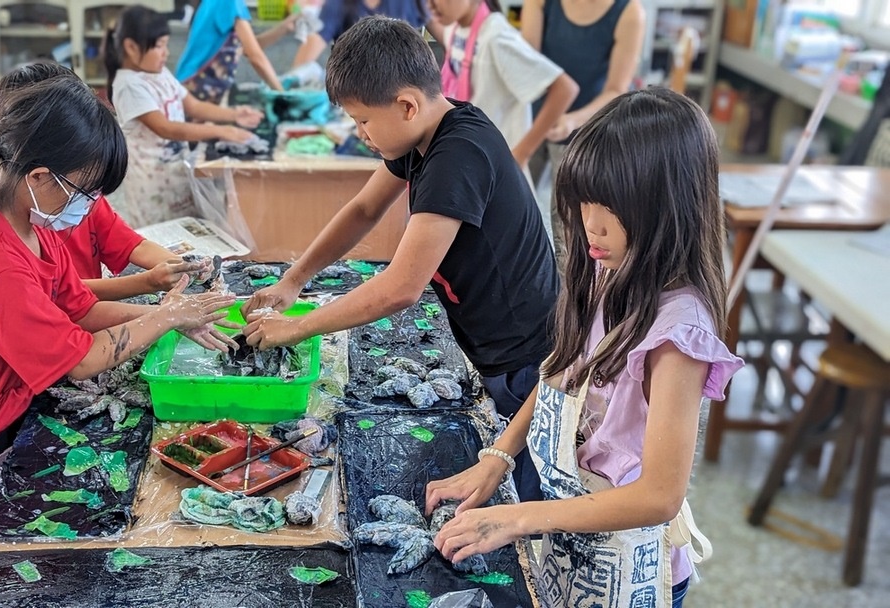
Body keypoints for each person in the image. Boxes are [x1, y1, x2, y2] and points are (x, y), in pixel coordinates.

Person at [426, 88, 744, 607]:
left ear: (667, 207)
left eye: (610, 208)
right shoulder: (610, 266)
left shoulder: (679, 334)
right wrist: (498, 458)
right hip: (571, 534)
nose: (589, 223)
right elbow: (562, 370)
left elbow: (659, 496)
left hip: (630, 560)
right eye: (583, 202)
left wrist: (518, 517)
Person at [0, 76, 238, 553]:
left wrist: (177, 314)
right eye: (85, 191)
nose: (88, 206)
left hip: (12, 407)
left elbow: (81, 307)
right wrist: (165, 317)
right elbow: (82, 359)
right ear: (39, 176)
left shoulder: (33, 229)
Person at [242, 17, 558, 501]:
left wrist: (298, 326)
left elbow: (400, 287)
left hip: (524, 356)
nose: (360, 133)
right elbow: (364, 209)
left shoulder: (458, 155)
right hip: (492, 339)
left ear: (406, 105)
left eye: (363, 120)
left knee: (529, 480)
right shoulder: (425, 135)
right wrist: (294, 280)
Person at [0, 61, 212, 301]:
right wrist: (148, 282)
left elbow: (129, 244)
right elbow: (61, 294)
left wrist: (182, 267)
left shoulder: (80, 195)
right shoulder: (11, 229)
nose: (89, 198)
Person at [104, 4, 263, 229]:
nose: (166, 53)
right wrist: (221, 130)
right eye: (159, 46)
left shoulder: (161, 74)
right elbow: (166, 128)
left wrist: (235, 115)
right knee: (162, 236)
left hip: (177, 171)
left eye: (166, 45)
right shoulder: (129, 85)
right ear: (130, 47)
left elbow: (194, 106)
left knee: (186, 232)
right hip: (152, 183)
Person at [430, 0, 577, 242]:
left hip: (500, 173)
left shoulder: (496, 37)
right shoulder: (458, 28)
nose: (431, 5)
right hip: (475, 166)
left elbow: (565, 88)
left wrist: (521, 153)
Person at [521, 0, 645, 267]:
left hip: (583, 129)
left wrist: (570, 121)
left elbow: (616, 90)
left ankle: (570, 301)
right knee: (512, 208)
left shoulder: (629, 13)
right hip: (531, 118)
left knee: (570, 233)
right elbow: (526, 63)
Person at [176, 0, 298, 102]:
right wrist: (284, 96)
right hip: (195, 86)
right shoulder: (229, 2)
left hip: (188, 84)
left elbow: (248, 46)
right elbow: (254, 56)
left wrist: (284, 28)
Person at [292, 0, 435, 68]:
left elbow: (445, 33)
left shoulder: (411, 2)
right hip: (355, 87)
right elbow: (314, 42)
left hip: (404, 84)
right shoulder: (338, 4)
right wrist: (293, 84)